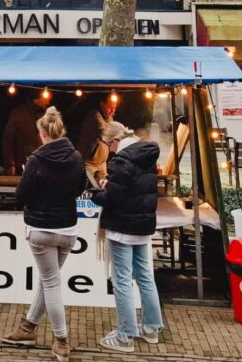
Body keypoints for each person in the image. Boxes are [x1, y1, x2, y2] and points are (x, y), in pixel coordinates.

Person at [1, 106, 85, 362]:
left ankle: (61, 340)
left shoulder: (36, 160)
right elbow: (80, 188)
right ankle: (27, 328)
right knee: (48, 280)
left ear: (42, 133)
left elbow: (21, 195)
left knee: (50, 283)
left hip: (41, 229)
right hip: (68, 229)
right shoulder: (76, 157)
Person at [90, 132, 165, 352]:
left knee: (122, 280)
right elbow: (131, 190)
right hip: (142, 226)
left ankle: (125, 336)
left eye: (109, 145)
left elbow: (115, 198)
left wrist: (96, 194)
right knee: (144, 276)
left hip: (122, 228)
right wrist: (110, 185)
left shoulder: (122, 161)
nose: (110, 150)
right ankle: (151, 328)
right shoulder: (147, 158)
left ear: (115, 141)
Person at [2, 90, 51, 174]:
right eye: (45, 99)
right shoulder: (19, 113)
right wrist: (10, 164)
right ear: (36, 99)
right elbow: (8, 140)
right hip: (23, 164)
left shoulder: (47, 115)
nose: (48, 102)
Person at [85, 121, 132, 188]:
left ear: (116, 140)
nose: (111, 150)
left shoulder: (125, 158)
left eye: (110, 145)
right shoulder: (131, 152)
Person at [73, 97, 116, 165]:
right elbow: (106, 134)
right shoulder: (94, 116)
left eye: (114, 108)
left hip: (101, 163)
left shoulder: (109, 118)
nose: (112, 111)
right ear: (102, 104)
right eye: (110, 108)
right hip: (88, 161)